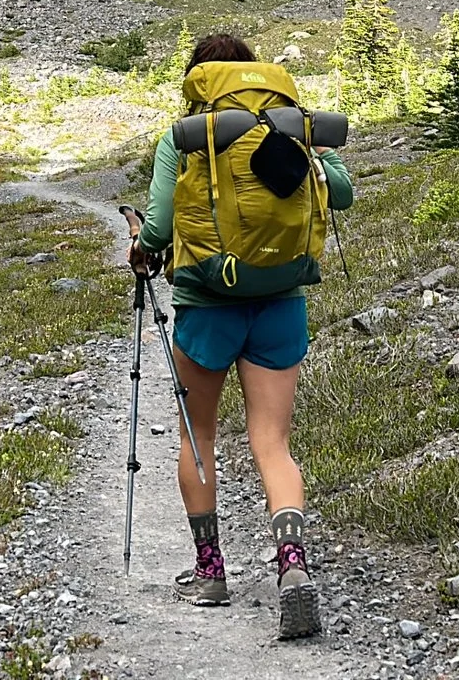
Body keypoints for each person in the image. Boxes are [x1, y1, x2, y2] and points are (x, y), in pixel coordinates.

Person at [129, 32, 352, 641]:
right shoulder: (291, 129)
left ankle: (210, 572)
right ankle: (293, 567)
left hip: (207, 307)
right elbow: (346, 194)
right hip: (280, 304)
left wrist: (143, 252)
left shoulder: (187, 139)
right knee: (272, 443)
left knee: (198, 437)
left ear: (197, 81)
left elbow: (157, 226)